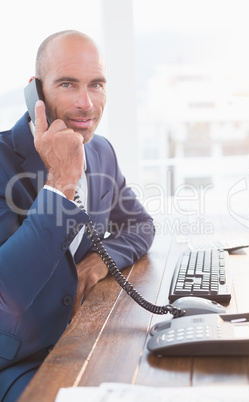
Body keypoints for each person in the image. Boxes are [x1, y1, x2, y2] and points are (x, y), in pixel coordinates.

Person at [0, 30, 154, 401]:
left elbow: (140, 225)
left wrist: (101, 261)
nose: (87, 103)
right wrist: (61, 182)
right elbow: (9, 292)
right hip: (16, 360)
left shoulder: (101, 152)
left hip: (83, 341)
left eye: (96, 85)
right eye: (68, 84)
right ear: (36, 91)